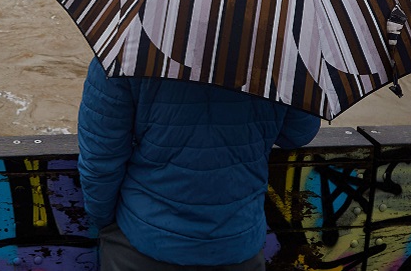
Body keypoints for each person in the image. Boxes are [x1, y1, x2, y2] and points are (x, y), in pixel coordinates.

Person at [76, 57, 322, 271]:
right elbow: (297, 134)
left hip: (144, 241)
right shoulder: (280, 54)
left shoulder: (126, 51)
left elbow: (100, 161)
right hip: (237, 241)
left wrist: (105, 223)